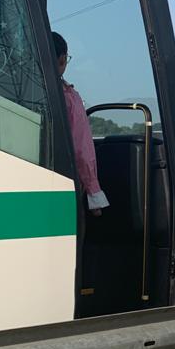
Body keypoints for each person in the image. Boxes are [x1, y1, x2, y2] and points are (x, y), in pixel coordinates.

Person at [52, 32, 108, 216]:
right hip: (66, 182)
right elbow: (81, 149)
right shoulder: (69, 97)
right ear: (62, 59)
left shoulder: (27, 91)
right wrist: (94, 193)